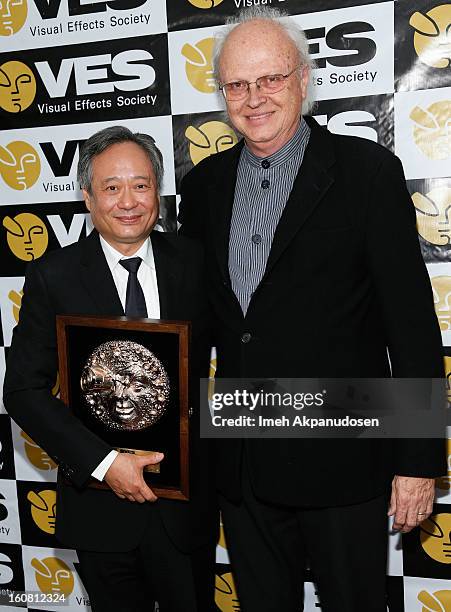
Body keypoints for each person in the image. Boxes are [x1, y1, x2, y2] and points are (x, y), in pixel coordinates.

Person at [178, 7, 446, 612]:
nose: (254, 98)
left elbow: (411, 326)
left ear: (303, 78)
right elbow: (204, 327)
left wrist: (418, 461)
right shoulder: (202, 188)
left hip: (343, 453)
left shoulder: (367, 172)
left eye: (269, 78)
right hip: (243, 456)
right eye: (237, 85)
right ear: (221, 93)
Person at [4, 126, 216, 612]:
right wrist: (105, 464)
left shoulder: (197, 262)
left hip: (187, 509)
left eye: (141, 185)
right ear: (86, 197)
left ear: (157, 194)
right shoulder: (53, 275)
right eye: (111, 187)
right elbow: (23, 391)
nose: (128, 201)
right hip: (99, 510)